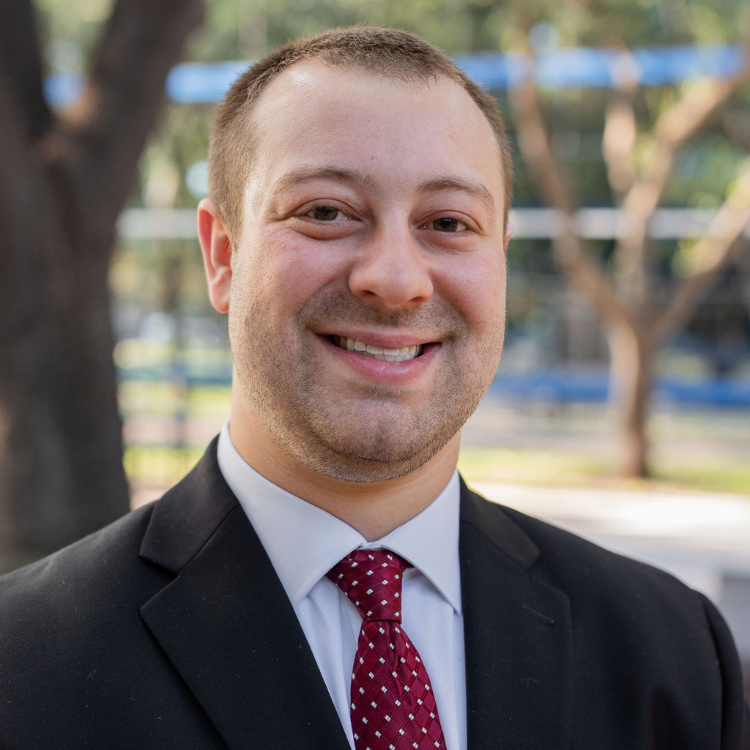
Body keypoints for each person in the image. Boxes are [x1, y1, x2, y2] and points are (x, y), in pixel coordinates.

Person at [0, 26, 747, 750]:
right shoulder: (24, 664)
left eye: (448, 222)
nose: (394, 279)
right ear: (223, 255)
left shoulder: (676, 656)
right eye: (326, 212)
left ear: (500, 258)